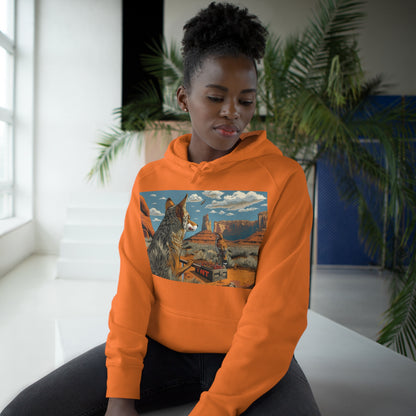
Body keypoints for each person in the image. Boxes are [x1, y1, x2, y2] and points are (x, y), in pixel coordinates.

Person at [1, 2, 321, 415]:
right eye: (216, 97)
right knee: (23, 411)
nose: (233, 112)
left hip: (249, 356)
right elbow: (133, 290)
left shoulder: (283, 180)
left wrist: (214, 409)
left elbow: (276, 314)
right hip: (161, 353)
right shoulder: (151, 181)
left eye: (246, 100)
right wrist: (120, 397)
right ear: (183, 97)